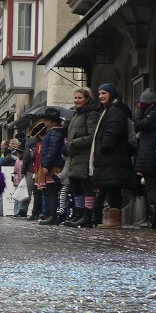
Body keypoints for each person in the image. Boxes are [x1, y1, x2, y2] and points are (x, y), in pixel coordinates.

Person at [90, 83, 134, 229]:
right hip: (111, 156)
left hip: (113, 156)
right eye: (100, 93)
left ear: (112, 94)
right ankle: (108, 218)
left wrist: (104, 147)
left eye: (104, 93)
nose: (101, 96)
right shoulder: (109, 110)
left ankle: (114, 220)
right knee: (108, 187)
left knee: (112, 186)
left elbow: (113, 130)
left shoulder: (114, 110)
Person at [62, 87, 100, 228]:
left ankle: (87, 216)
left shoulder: (91, 114)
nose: (77, 100)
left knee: (86, 187)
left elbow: (92, 137)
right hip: (74, 158)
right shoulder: (76, 115)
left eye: (80, 98)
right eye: (75, 97)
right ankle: (78, 214)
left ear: (87, 99)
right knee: (75, 187)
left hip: (84, 157)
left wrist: (74, 143)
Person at [133, 87, 156, 228]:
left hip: (151, 151)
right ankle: (153, 215)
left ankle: (154, 217)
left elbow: (139, 124)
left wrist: (140, 109)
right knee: (151, 184)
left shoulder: (155, 112)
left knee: (152, 184)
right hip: (149, 150)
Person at [36, 107, 67, 225]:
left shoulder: (54, 132)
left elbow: (52, 150)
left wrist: (47, 164)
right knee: (51, 191)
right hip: (50, 164)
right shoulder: (52, 132)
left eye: (46, 119)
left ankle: (53, 216)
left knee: (53, 191)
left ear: (52, 121)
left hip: (53, 165)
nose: (44, 122)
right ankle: (52, 215)